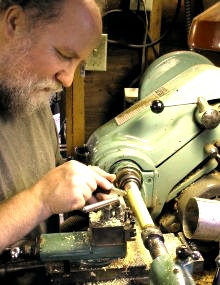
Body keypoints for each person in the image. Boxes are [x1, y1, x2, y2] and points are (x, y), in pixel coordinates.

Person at [0, 0, 116, 256]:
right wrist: (40, 199)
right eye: (64, 55)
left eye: (79, 63)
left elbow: (45, 170)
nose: (68, 79)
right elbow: (41, 194)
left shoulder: (29, 96)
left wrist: (79, 187)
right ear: (14, 23)